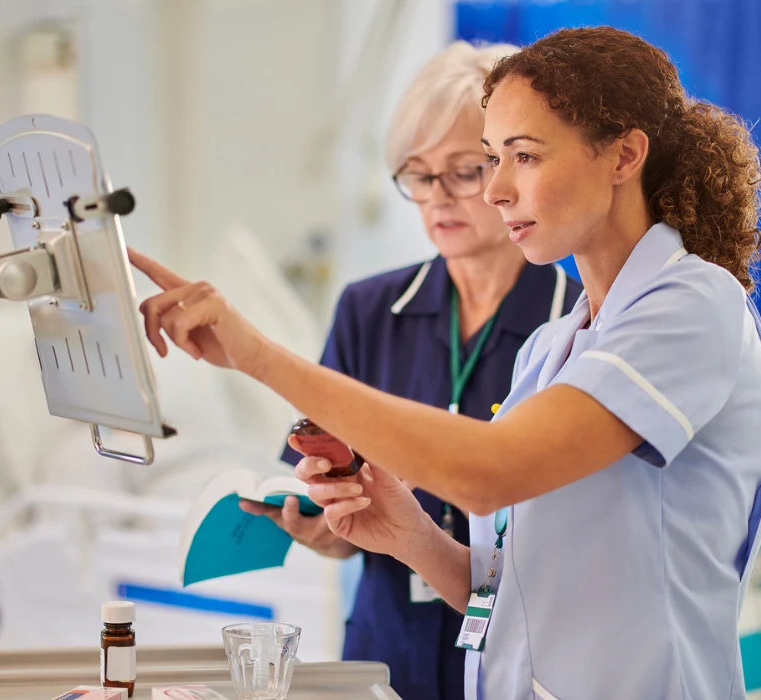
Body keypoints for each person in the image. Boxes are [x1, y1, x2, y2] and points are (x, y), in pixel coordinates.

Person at [129, 26, 761, 700]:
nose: (496, 191)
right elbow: (504, 591)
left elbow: (489, 473)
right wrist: (409, 536)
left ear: (624, 155)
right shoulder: (554, 346)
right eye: (492, 159)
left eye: (522, 157)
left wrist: (257, 355)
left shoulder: (693, 303)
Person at [240, 41, 580, 700]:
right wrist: (323, 527)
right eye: (419, 176)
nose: (437, 199)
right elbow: (334, 503)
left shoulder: (575, 323)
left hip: (522, 660)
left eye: (463, 171)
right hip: (384, 651)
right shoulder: (370, 311)